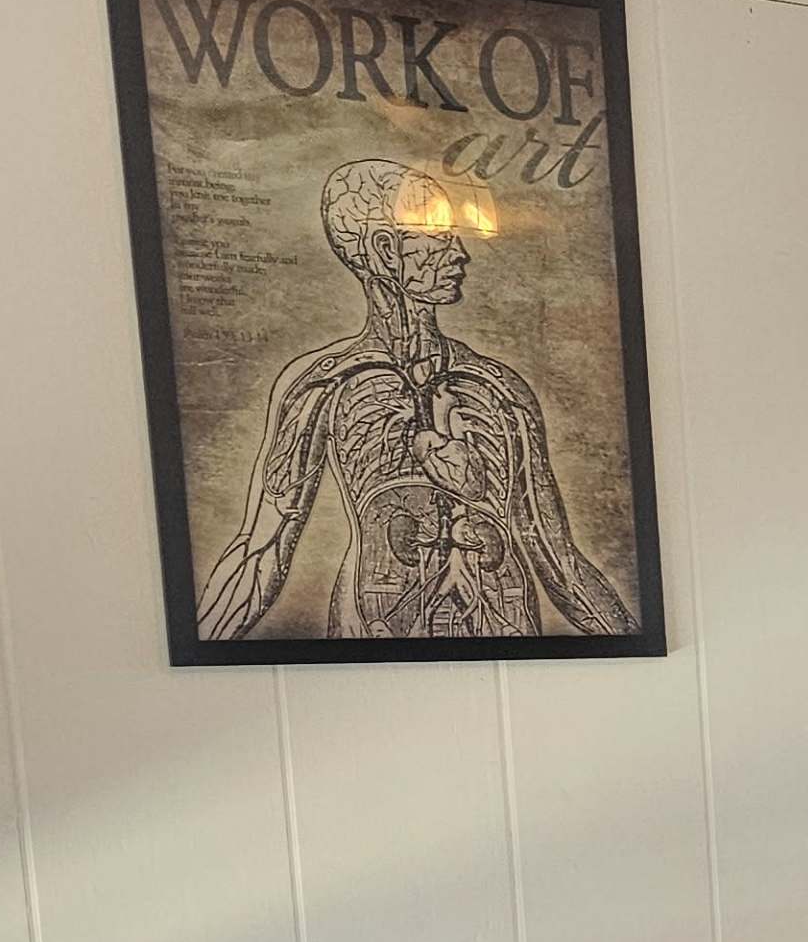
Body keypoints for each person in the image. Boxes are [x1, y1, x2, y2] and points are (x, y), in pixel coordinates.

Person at [197, 157, 636, 643]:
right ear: (385, 250)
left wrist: (633, 643)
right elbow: (260, 554)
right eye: (439, 235)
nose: (460, 255)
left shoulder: (500, 388)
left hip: (504, 632)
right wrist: (200, 652)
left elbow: (560, 561)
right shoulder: (324, 384)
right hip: (377, 631)